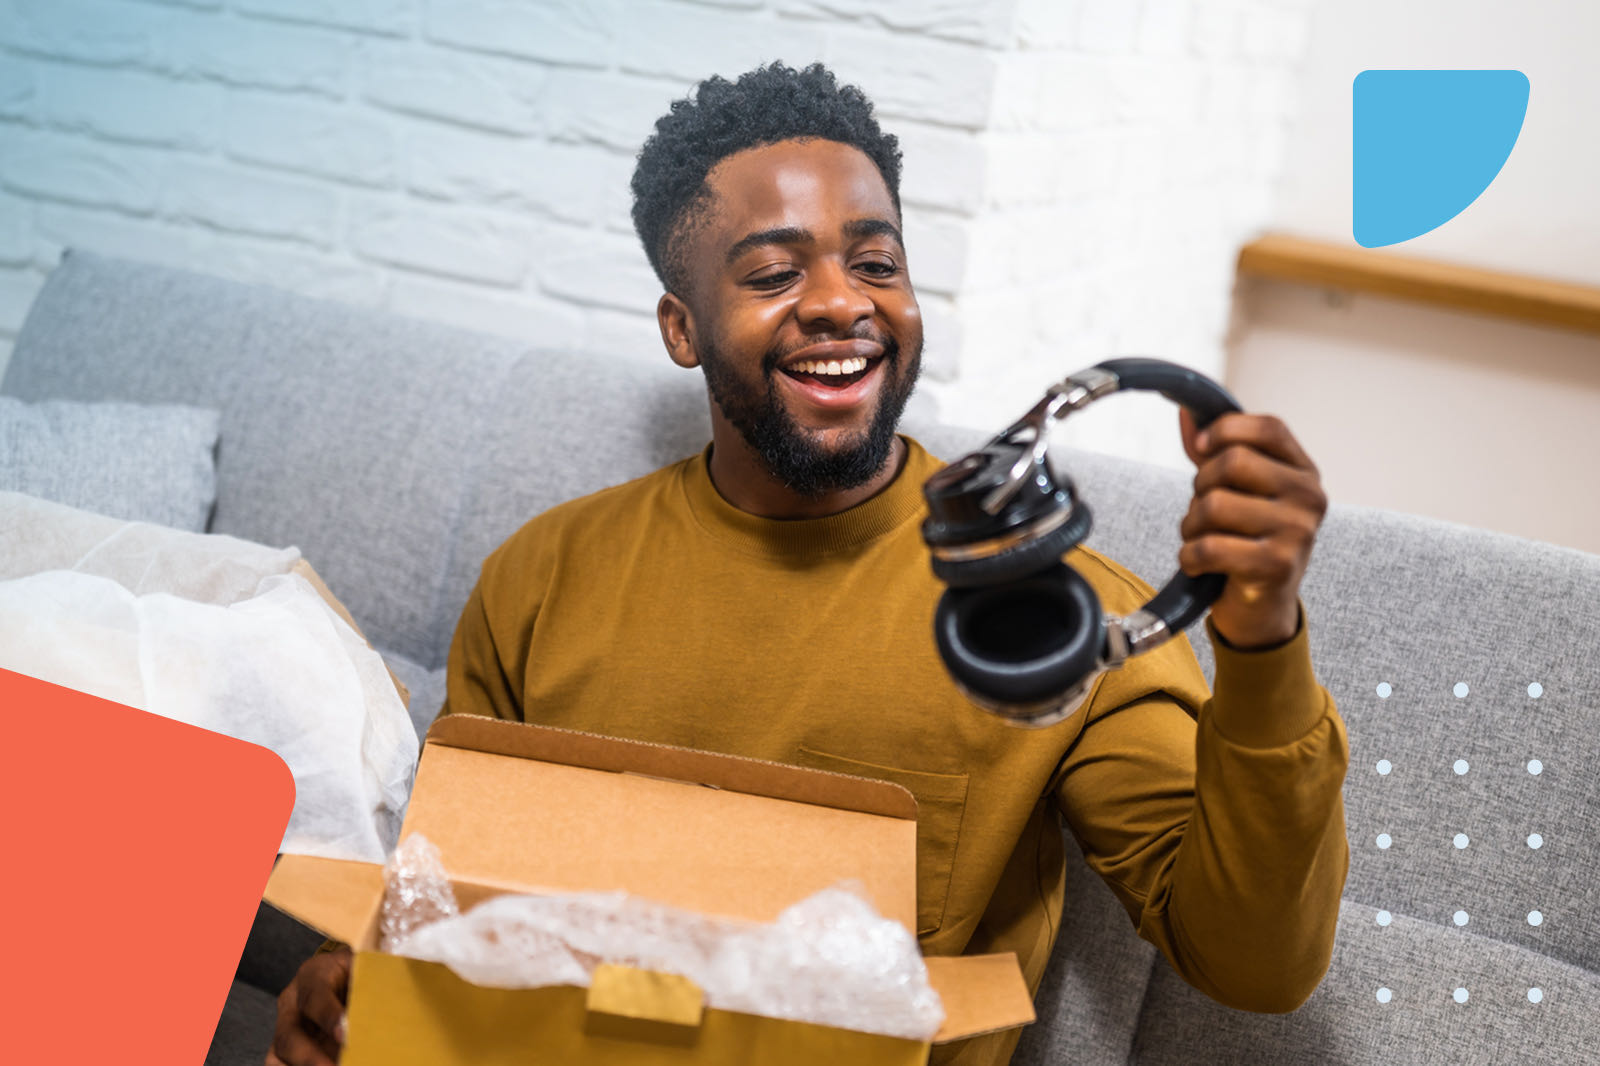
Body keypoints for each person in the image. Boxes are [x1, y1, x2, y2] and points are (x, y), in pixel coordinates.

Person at [271, 62, 1347, 1066]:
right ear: (683, 329)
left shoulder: (1055, 618)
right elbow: (446, 898)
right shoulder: (541, 577)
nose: (842, 301)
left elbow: (1257, 965)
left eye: (877, 263)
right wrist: (348, 984)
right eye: (776, 272)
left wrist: (1262, 639)